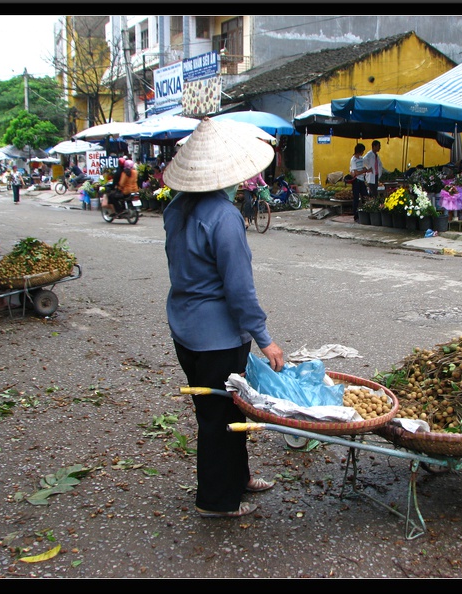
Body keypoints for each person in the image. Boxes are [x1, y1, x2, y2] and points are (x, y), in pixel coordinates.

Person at [161, 117, 284, 519]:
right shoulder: (224, 217)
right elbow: (239, 290)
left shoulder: (177, 208)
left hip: (185, 330)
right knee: (219, 418)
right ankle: (216, 501)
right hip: (217, 339)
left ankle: (238, 477)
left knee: (224, 409)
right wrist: (265, 339)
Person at [349, 143, 369, 221]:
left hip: (362, 180)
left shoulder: (361, 158)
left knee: (365, 196)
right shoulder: (353, 159)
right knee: (356, 198)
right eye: (362, 151)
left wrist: (365, 170)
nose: (363, 153)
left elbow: (363, 167)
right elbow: (356, 173)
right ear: (359, 151)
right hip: (356, 181)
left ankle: (365, 213)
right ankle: (356, 215)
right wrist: (363, 171)